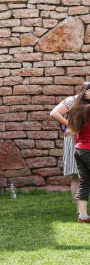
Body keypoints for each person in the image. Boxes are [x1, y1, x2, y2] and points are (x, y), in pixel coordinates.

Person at [50, 83, 90, 216]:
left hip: (81, 140)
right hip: (76, 139)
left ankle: (82, 212)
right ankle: (80, 211)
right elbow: (54, 113)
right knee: (77, 176)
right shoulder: (72, 100)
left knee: (80, 177)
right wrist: (72, 126)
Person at [66, 89, 90, 223]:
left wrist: (78, 145)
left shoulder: (76, 110)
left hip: (79, 149)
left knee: (84, 183)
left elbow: (73, 132)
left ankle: (83, 216)